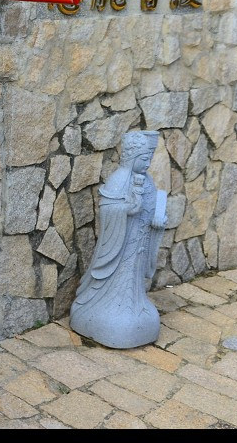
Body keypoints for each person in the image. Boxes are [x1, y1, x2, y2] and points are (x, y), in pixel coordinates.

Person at [70, 130, 168, 348]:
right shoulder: (118, 179)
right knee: (120, 280)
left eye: (150, 158)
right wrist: (127, 209)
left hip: (138, 245)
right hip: (121, 248)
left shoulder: (147, 181)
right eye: (143, 159)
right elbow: (108, 209)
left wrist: (156, 220)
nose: (148, 163)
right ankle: (107, 310)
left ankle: (135, 308)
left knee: (133, 279)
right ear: (132, 158)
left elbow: (151, 207)